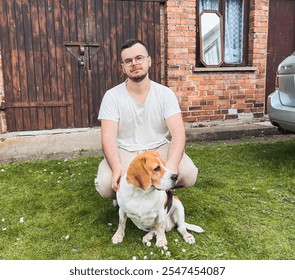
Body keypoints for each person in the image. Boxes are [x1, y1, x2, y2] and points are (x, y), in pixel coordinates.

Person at [94, 39, 198, 199]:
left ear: (149, 61)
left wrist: (171, 165)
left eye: (139, 58)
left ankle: (158, 192)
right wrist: (116, 167)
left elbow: (178, 133)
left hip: (159, 148)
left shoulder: (165, 94)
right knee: (105, 184)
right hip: (126, 150)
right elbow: (107, 138)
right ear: (123, 67)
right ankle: (126, 197)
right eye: (128, 61)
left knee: (189, 173)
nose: (134, 63)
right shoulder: (112, 96)